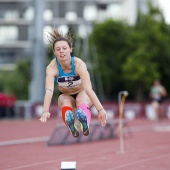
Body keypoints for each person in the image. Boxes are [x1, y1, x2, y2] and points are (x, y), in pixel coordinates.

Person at [39, 28, 107, 137]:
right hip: (65, 94)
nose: (61, 51)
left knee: (80, 101)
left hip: (82, 92)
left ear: (70, 49)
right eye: (58, 49)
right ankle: (72, 126)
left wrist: (100, 109)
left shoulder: (79, 65)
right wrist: (45, 110)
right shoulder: (52, 68)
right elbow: (49, 90)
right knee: (64, 101)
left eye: (64, 48)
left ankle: (84, 122)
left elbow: (88, 89)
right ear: (54, 52)